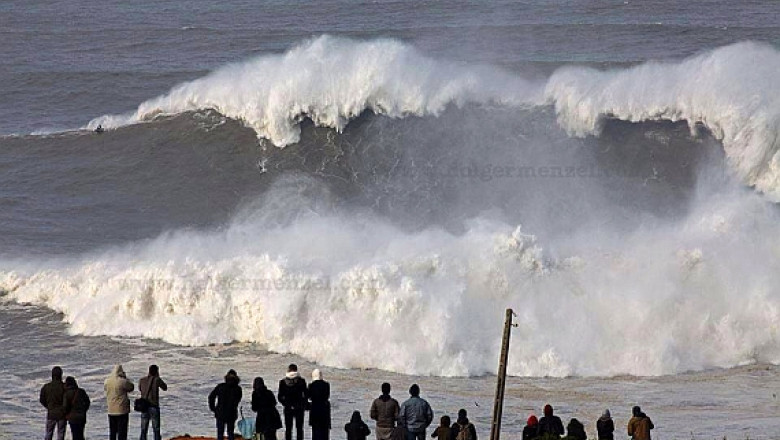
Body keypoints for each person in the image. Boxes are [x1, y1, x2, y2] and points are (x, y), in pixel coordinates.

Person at [208, 369, 243, 440]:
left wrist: (213, 408)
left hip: (220, 413)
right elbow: (238, 401)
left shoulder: (221, 386)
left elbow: (211, 397)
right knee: (230, 432)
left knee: (220, 433)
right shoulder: (238, 389)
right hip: (231, 413)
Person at [278, 364, 308, 440]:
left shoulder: (283, 382)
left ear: (288, 370)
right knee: (299, 428)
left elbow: (280, 397)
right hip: (299, 407)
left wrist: (286, 404)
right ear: (296, 370)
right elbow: (306, 395)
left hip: (288, 408)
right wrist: (303, 404)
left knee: (288, 429)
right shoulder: (301, 381)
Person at [105, 365, 134, 440]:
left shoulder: (107, 381)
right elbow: (131, 387)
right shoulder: (122, 381)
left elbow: (105, 389)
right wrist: (125, 377)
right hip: (122, 410)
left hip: (111, 410)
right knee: (122, 432)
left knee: (113, 432)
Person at [139, 364, 168, 440]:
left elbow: (140, 389)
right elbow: (165, 387)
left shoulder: (142, 380)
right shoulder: (157, 379)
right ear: (156, 371)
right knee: (156, 428)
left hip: (144, 406)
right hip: (153, 406)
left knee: (143, 429)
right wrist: (158, 377)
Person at [40, 366, 67, 440]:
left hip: (51, 413)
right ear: (61, 375)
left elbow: (42, 400)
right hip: (62, 414)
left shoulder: (46, 387)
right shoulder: (64, 387)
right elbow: (67, 400)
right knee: (60, 435)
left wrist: (48, 407)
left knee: (48, 434)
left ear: (52, 375)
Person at [308, 369, 331, 440]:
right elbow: (327, 396)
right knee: (325, 432)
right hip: (324, 409)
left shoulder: (311, 385)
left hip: (314, 409)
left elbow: (309, 397)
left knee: (315, 432)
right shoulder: (326, 384)